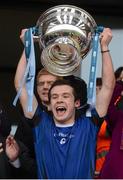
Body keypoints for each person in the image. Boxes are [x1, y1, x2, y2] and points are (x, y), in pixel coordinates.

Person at [14, 28, 115, 178]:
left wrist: (104, 47)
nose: (59, 99)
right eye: (54, 97)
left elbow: (108, 86)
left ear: (76, 102)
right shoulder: (40, 123)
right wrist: (27, 46)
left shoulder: (89, 124)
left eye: (65, 96)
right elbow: (20, 85)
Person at [95, 77, 112, 178]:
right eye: (95, 89)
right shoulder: (88, 114)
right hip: (93, 168)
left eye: (100, 88)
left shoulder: (114, 113)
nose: (97, 92)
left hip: (108, 168)